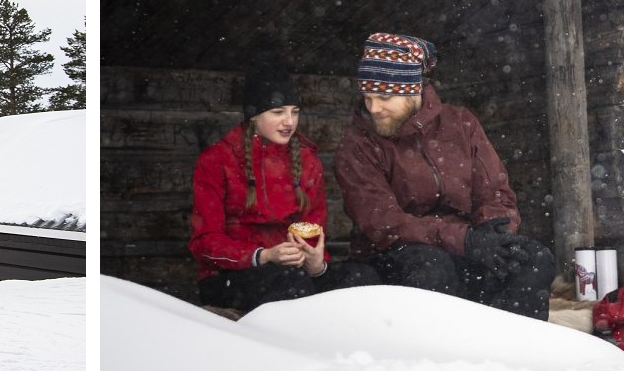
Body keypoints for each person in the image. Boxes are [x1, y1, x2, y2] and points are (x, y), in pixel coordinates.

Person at [333, 32, 555, 319]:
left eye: (384, 96)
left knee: (533, 260)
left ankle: (514, 351)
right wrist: (464, 240)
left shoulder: (460, 124)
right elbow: (383, 223)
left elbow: (494, 190)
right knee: (430, 266)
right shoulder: (359, 144)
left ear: (413, 89)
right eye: (368, 96)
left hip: (463, 243)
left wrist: (494, 234)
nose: (374, 108)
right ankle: (439, 356)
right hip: (393, 254)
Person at [189, 61, 379, 315]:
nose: (289, 121)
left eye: (295, 111)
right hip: (230, 275)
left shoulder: (307, 162)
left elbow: (313, 229)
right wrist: (263, 256)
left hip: (295, 273)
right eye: (278, 112)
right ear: (254, 115)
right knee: (291, 284)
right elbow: (205, 241)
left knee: (362, 278)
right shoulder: (217, 160)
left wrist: (316, 264)